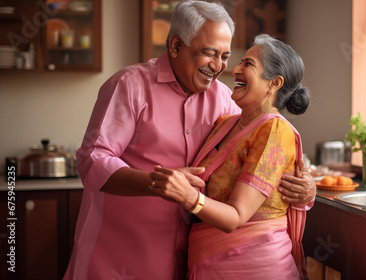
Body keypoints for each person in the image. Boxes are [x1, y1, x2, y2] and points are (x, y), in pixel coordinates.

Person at [64, 1, 315, 279]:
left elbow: (256, 154)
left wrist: (305, 191)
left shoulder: (224, 99)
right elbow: (92, 160)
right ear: (175, 46)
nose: (220, 66)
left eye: (225, 56)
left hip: (190, 258)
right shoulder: (129, 85)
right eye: (209, 53)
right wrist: (155, 183)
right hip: (118, 252)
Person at [150, 34, 311, 279]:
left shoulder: (275, 131)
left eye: (248, 64)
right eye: (240, 61)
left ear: (274, 83)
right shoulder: (227, 123)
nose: (234, 69)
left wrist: (189, 196)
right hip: (209, 262)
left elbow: (236, 216)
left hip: (253, 266)